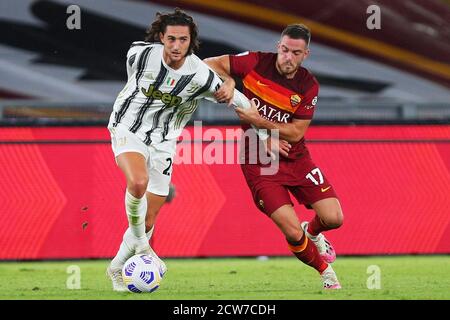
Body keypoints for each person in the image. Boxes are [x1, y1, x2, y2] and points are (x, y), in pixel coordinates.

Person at [106, 8, 267, 292]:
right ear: (161, 38)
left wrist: (267, 132)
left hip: (165, 141)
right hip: (127, 128)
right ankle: (144, 250)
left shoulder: (201, 77)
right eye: (171, 39)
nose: (176, 45)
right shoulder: (140, 55)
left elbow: (239, 100)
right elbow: (131, 81)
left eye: (183, 40)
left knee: (148, 218)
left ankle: (117, 267)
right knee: (138, 182)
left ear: (190, 41)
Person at [204, 24, 344, 289]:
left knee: (334, 218)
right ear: (278, 46)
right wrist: (231, 80)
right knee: (291, 231)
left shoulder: (308, 85)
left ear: (306, 55)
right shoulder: (255, 62)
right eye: (284, 50)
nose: (287, 57)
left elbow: (294, 133)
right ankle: (325, 272)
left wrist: (260, 122)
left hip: (295, 157)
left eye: (295, 53)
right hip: (258, 161)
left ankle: (313, 232)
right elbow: (207, 64)